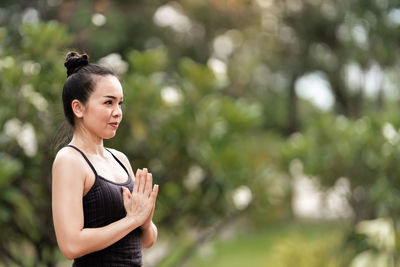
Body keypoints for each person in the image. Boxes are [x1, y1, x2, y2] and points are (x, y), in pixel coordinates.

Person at [52, 51, 159, 266]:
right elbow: (71, 245)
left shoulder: (119, 159)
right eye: (108, 103)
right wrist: (132, 220)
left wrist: (145, 220)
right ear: (78, 108)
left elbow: (147, 240)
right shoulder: (70, 160)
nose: (118, 112)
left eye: (120, 103)